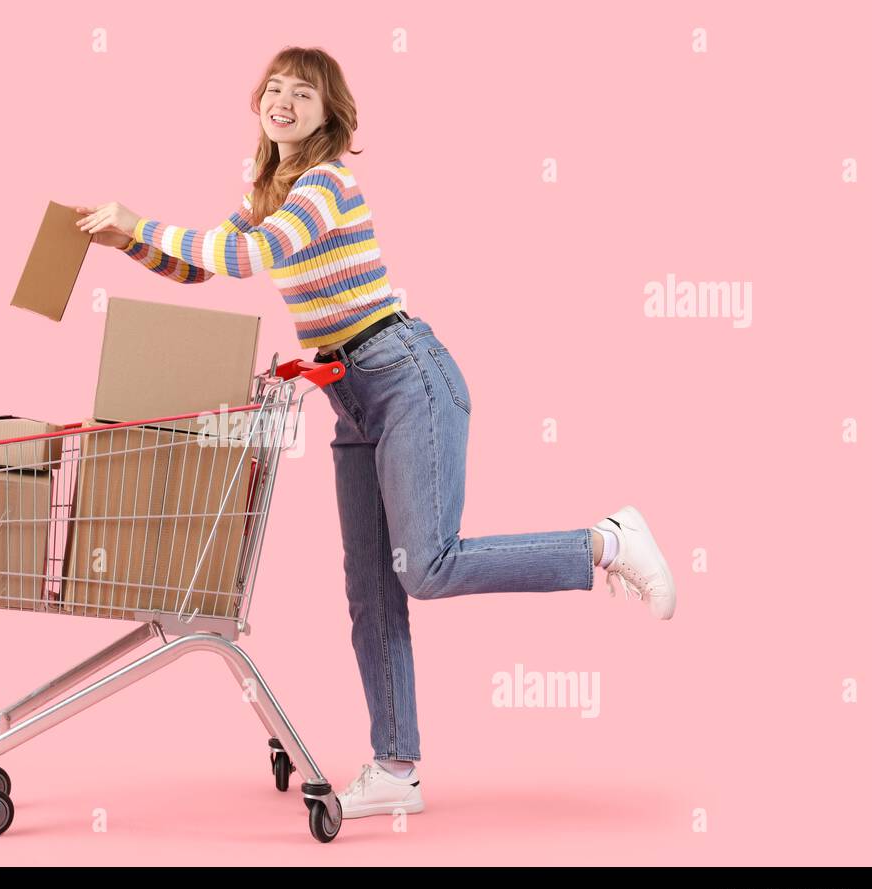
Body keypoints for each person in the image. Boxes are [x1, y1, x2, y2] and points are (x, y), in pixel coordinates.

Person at [76, 46, 676, 821]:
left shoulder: (325, 184)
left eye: (303, 92)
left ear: (330, 115)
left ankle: (605, 543)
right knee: (371, 590)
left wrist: (137, 217)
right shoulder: (266, 190)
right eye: (274, 88)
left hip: (403, 374)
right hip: (349, 395)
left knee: (425, 566)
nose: (283, 100)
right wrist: (121, 240)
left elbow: (246, 257)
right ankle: (396, 767)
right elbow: (200, 268)